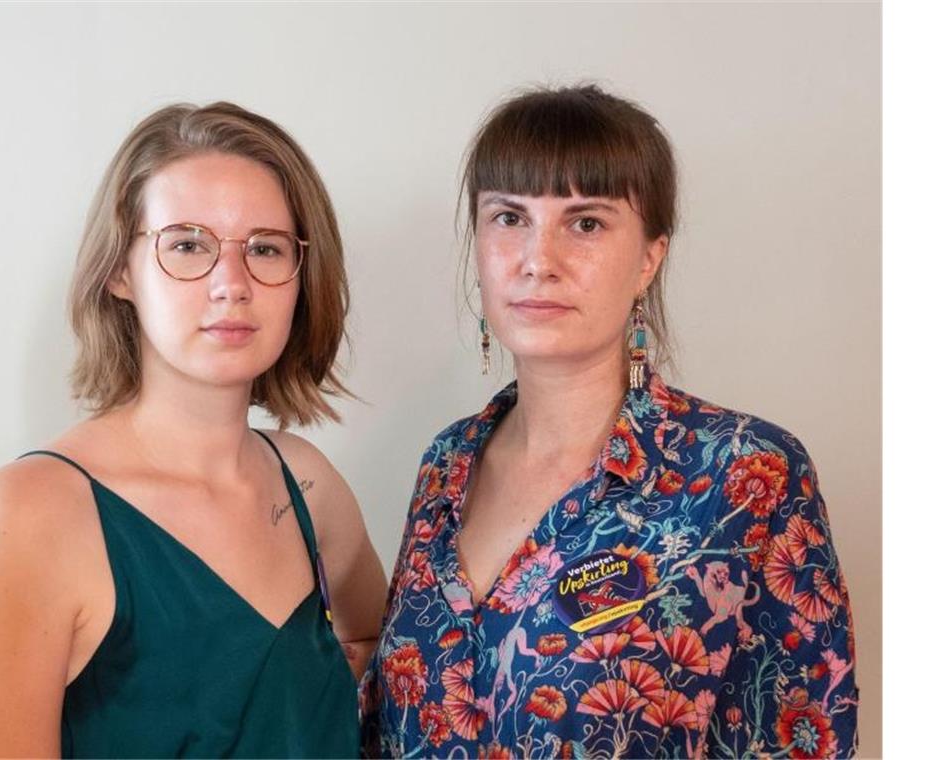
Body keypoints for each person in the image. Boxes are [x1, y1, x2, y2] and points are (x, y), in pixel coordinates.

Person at [360, 85, 858, 758]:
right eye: (509, 218)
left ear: (648, 259)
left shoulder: (745, 474)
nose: (540, 259)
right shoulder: (447, 465)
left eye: (586, 223)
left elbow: (802, 735)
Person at [0, 101, 386, 758]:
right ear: (118, 270)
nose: (233, 282)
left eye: (266, 248)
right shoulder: (31, 512)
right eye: (188, 244)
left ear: (300, 277)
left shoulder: (308, 484)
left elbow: (375, 647)